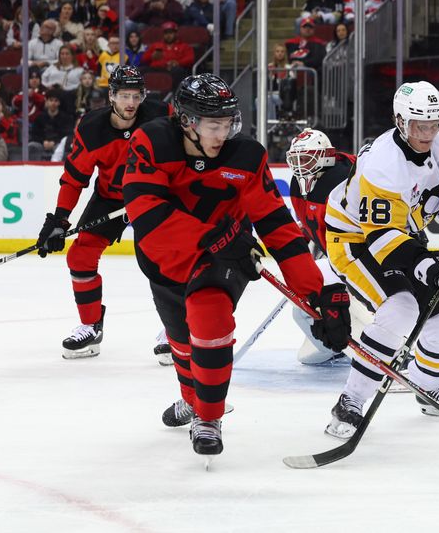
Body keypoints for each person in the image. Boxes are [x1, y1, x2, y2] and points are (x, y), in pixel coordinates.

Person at [122, 74, 350, 457]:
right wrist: (208, 236)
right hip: (165, 258)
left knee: (209, 320)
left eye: (228, 124)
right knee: (180, 342)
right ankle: (193, 400)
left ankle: (208, 418)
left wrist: (317, 292)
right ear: (187, 121)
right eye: (213, 125)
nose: (221, 135)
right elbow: (146, 213)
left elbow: (277, 225)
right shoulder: (152, 142)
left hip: (226, 256)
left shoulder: (246, 155)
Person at [322, 81, 439, 439]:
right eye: (420, 125)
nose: (428, 133)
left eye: (435, 124)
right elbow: (382, 238)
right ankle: (350, 400)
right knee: (400, 308)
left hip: (404, 235)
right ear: (400, 122)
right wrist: (430, 269)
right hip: (355, 238)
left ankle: (427, 389)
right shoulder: (382, 164)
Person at [34, 66, 171, 359]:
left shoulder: (161, 116)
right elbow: (74, 178)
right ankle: (90, 326)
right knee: (80, 254)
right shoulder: (91, 128)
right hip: (111, 198)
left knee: (166, 259)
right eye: (124, 96)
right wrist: (59, 220)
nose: (131, 103)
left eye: (136, 96)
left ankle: (175, 329)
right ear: (111, 96)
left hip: (153, 198)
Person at [286, 127, 358, 365]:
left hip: (357, 261)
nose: (299, 165)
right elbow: (309, 226)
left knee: (359, 309)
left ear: (324, 156)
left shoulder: (341, 180)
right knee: (302, 315)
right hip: (334, 259)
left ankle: (388, 352)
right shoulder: (299, 184)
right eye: (295, 159)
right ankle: (335, 347)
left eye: (305, 159)